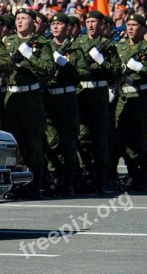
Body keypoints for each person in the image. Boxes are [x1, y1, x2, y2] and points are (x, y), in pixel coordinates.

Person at [2, 9, 54, 199]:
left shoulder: (41, 43)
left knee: (34, 144)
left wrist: (30, 56)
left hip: (31, 97)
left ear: (34, 23)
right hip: (11, 97)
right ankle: (16, 185)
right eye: (18, 18)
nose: (21, 21)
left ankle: (34, 186)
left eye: (25, 18)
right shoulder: (7, 42)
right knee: (15, 145)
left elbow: (49, 69)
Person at [72, 10, 121, 194]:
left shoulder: (108, 45)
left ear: (102, 25)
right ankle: (86, 175)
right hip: (81, 91)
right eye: (88, 21)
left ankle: (101, 179)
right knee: (82, 137)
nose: (91, 25)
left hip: (99, 92)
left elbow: (116, 71)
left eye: (94, 22)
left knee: (100, 138)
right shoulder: (78, 42)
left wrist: (101, 62)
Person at [114, 14, 147, 191]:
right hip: (123, 99)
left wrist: (142, 68)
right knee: (123, 138)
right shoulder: (121, 46)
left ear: (143, 28)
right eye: (129, 24)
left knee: (142, 138)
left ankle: (142, 174)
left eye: (135, 25)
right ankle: (133, 171)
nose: (131, 28)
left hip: (142, 99)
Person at [43, 13, 82, 197]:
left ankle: (68, 181)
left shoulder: (75, 47)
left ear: (67, 27)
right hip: (50, 98)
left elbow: (82, 73)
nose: (56, 27)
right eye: (53, 24)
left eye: (59, 24)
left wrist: (66, 65)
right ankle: (55, 177)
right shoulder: (45, 46)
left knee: (68, 142)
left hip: (67, 99)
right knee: (52, 140)